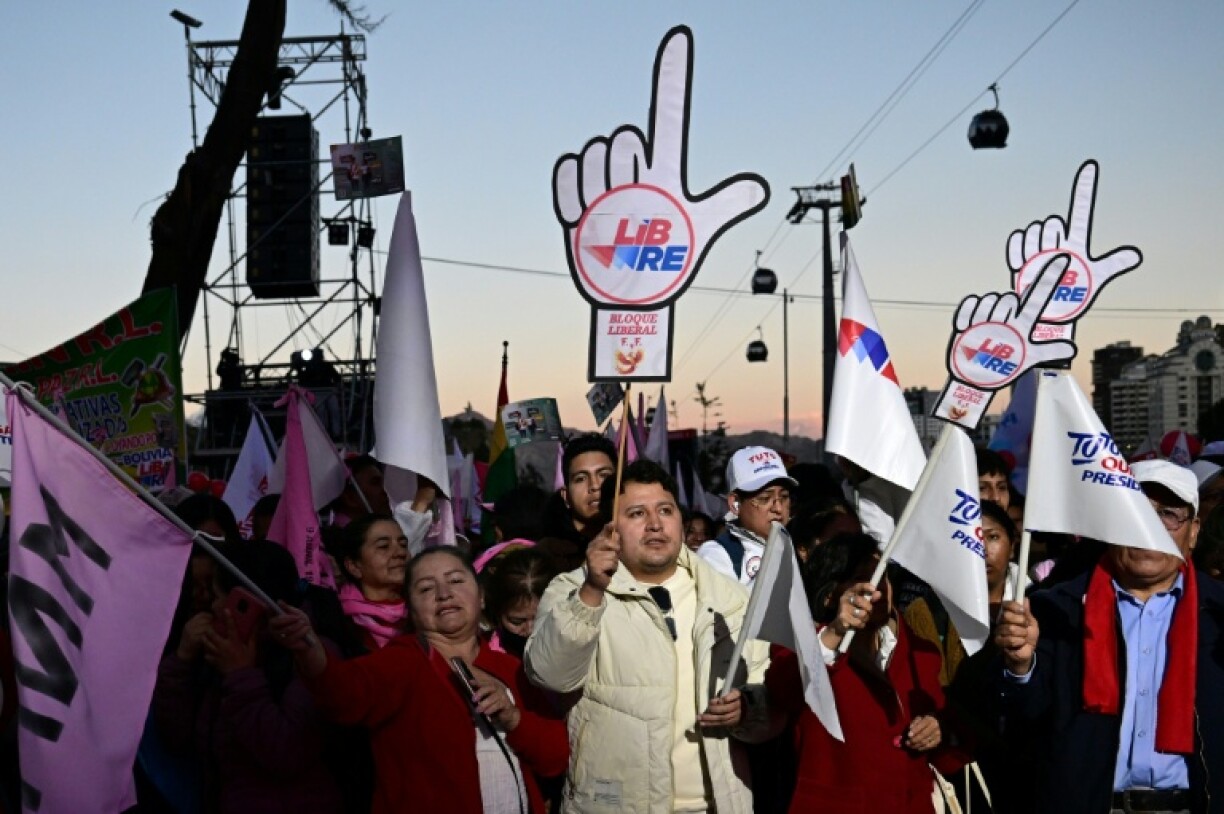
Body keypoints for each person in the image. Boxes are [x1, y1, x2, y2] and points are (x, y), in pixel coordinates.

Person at [525, 459, 771, 813]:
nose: (655, 524)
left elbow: (767, 702)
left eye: (665, 511)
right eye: (637, 514)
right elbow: (550, 676)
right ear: (610, 528)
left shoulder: (729, 599)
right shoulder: (571, 591)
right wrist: (592, 592)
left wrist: (746, 709)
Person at [995, 459, 1224, 813]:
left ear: (1193, 531)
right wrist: (1021, 667)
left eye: (1168, 514)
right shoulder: (1054, 610)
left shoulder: (1219, 614)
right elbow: (1021, 726)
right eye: (1136, 510)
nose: (1150, 526)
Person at [270, 547, 568, 814]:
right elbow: (343, 692)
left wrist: (514, 718)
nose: (443, 593)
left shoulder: (511, 668)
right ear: (410, 609)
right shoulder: (402, 661)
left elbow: (555, 757)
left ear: (481, 595)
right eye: (426, 588)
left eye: (455, 581)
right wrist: (310, 649)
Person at [767, 532, 968, 813]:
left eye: (882, 576)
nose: (878, 589)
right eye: (863, 579)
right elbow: (782, 690)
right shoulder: (803, 645)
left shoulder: (919, 653)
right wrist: (836, 631)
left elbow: (949, 732)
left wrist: (938, 729)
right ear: (830, 595)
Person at [152, 541, 344, 813]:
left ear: (247, 600)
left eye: (218, 594)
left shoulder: (311, 653)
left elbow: (287, 752)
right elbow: (176, 738)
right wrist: (181, 662)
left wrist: (241, 675)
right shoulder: (223, 653)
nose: (212, 604)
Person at [698, 445, 797, 585]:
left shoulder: (797, 548)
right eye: (764, 499)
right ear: (735, 504)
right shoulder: (717, 555)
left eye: (784, 496)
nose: (778, 508)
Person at [334, 515, 409, 651]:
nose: (400, 553)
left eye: (403, 545)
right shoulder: (338, 622)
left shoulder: (424, 609)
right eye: (384, 546)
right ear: (354, 566)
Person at [539, 433, 617, 562]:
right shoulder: (546, 556)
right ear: (566, 496)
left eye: (604, 475)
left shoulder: (636, 545)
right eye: (581, 478)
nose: (595, 486)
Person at [481, 547, 558, 658]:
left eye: (541, 618)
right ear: (497, 612)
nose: (530, 630)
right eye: (517, 621)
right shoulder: (485, 654)